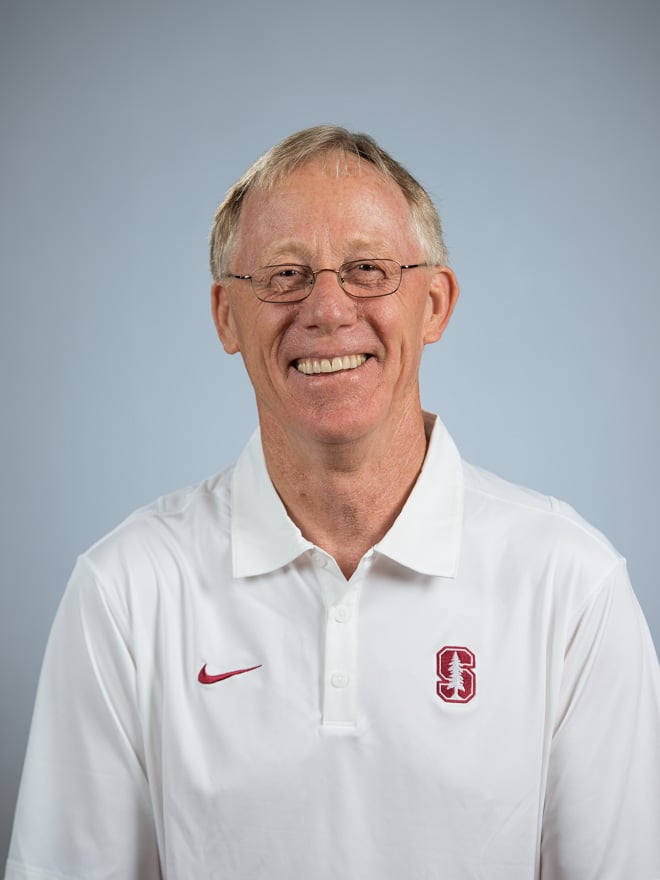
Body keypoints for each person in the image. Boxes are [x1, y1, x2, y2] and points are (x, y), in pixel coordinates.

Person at [5, 125, 659, 880]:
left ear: (435, 304)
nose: (326, 307)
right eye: (284, 275)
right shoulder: (125, 593)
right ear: (226, 316)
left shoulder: (570, 587)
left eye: (368, 269)